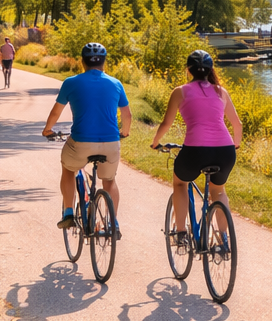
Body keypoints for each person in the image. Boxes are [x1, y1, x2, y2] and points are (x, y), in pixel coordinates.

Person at [151, 50, 242, 244]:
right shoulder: (221, 91)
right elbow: (237, 124)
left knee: (180, 183)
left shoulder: (180, 91)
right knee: (218, 191)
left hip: (195, 150)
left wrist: (155, 142)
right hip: (225, 151)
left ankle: (181, 233)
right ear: (210, 69)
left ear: (188, 69)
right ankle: (223, 239)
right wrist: (236, 145)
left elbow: (166, 123)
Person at [42, 42, 131, 232]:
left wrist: (48, 129)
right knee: (109, 180)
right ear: (104, 62)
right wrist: (124, 132)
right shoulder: (116, 83)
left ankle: (68, 212)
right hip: (110, 143)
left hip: (81, 142)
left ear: (82, 62)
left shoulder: (71, 82)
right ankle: (112, 221)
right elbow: (127, 115)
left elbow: (56, 112)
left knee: (68, 168)